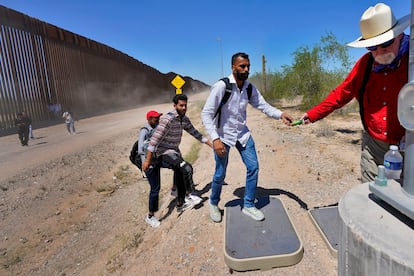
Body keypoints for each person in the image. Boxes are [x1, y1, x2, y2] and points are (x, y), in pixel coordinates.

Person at [299, 3, 409, 183]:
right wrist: (312, 114)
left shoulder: (411, 62)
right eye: (372, 47)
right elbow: (341, 94)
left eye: (386, 43)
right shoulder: (365, 65)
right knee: (371, 196)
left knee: (406, 202)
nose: (380, 52)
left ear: (399, 35)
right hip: (374, 148)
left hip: (410, 149)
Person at [201, 52, 294, 223]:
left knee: (253, 167)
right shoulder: (222, 86)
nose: (246, 69)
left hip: (242, 134)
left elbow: (263, 106)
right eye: (242, 66)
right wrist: (215, 139)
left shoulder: (249, 88)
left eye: (248, 66)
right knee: (220, 173)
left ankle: (249, 205)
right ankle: (213, 203)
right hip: (223, 136)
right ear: (233, 67)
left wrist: (280, 114)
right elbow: (206, 114)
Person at [142, 94, 213, 217]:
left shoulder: (184, 119)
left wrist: (212, 145)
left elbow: (195, 133)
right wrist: (147, 160)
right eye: (181, 105)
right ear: (175, 106)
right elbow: (154, 141)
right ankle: (191, 194)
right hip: (163, 152)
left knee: (180, 172)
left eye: (185, 105)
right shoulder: (167, 119)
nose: (184, 108)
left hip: (174, 151)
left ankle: (180, 204)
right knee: (186, 168)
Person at [139, 110, 163, 228]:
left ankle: (177, 191)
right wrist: (145, 164)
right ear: (149, 119)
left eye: (158, 117)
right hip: (149, 165)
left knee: (177, 166)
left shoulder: (157, 127)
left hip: (156, 161)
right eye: (155, 118)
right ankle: (150, 216)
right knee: (155, 189)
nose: (157, 119)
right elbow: (140, 149)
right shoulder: (144, 130)